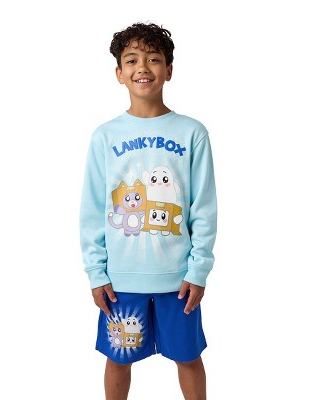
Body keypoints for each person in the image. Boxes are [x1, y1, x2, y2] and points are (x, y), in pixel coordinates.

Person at [79, 22, 217, 400]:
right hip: (121, 282)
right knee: (118, 359)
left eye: (153, 59)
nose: (143, 67)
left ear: (168, 70)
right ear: (119, 73)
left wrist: (199, 269)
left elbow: (203, 207)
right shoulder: (104, 137)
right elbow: (93, 209)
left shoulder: (192, 133)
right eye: (132, 60)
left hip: (179, 281)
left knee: (188, 358)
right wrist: (95, 271)